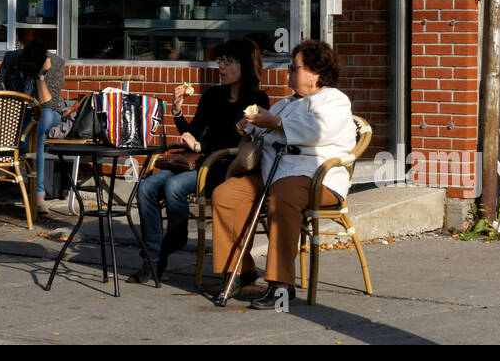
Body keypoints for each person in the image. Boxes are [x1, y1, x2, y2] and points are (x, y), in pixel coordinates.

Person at [210, 39, 357, 309]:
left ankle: (281, 285)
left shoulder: (334, 100)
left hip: (315, 177)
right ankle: (241, 271)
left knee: (282, 198)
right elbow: (267, 130)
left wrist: (275, 123)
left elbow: (318, 132)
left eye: (294, 68)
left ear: (315, 73)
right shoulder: (286, 102)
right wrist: (250, 126)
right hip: (274, 174)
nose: (288, 72)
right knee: (226, 195)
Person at [130, 38, 268, 284]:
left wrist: (201, 146)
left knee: (174, 187)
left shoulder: (258, 101)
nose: (221, 67)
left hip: (224, 167)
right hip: (197, 162)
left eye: (229, 61)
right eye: (220, 61)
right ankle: (153, 257)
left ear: (245, 65)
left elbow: (238, 144)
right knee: (146, 188)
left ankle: (172, 241)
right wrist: (177, 111)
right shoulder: (212, 95)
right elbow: (192, 134)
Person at [0, 39, 65, 204]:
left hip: (48, 114)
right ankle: (38, 196)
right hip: (19, 115)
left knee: (41, 121)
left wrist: (40, 75)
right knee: (37, 134)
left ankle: (38, 192)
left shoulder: (55, 63)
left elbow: (49, 104)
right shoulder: (11, 59)